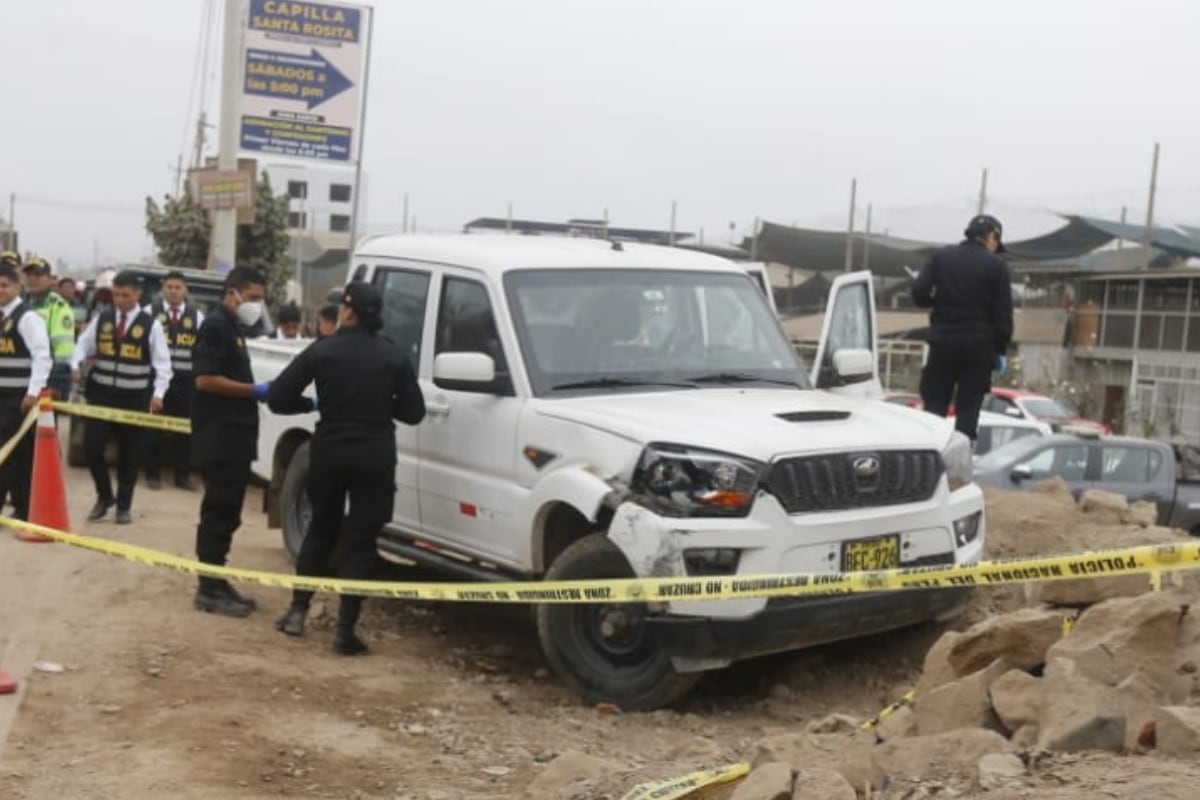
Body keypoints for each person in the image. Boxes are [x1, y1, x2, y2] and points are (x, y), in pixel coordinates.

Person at [269, 282, 425, 655]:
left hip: (330, 452)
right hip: (374, 455)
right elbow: (414, 413)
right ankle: (345, 632)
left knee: (321, 529)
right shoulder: (394, 356)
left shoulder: (324, 351)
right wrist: (382, 404)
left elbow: (278, 398)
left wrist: (312, 405)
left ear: (349, 311)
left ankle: (296, 612)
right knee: (361, 541)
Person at [190, 266, 270, 616]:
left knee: (229, 511)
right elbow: (205, 379)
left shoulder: (233, 327)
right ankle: (207, 587)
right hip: (220, 436)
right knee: (219, 511)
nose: (256, 305)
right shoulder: (216, 326)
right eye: (252, 298)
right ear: (232, 292)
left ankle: (217, 577)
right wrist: (252, 390)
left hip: (235, 436)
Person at [70, 270, 172, 524]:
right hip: (102, 396)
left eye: (125, 295)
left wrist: (158, 395)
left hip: (134, 399)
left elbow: (163, 365)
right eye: (116, 294)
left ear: (137, 295)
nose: (120, 300)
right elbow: (84, 343)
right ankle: (105, 496)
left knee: (130, 456)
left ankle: (123, 506)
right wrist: (75, 362)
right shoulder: (102, 318)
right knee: (92, 449)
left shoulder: (152, 325)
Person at [912, 214, 1014, 441]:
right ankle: (959, 469)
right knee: (968, 413)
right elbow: (1003, 315)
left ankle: (930, 460)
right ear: (991, 236)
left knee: (934, 409)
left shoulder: (941, 258)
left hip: (943, 342)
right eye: (996, 243)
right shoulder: (997, 266)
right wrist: (1000, 349)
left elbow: (919, 292)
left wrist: (937, 303)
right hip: (979, 349)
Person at [0, 262, 52, 524]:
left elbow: (42, 357)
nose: (0, 291)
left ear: (17, 287)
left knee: (10, 452)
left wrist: (33, 392)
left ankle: (20, 506)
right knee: (14, 454)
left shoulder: (27, 318)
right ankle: (21, 506)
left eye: (4, 285)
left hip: (17, 398)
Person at [143, 271, 203, 491]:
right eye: (170, 287)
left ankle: (182, 475)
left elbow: (202, 349)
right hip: (157, 382)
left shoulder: (197, 317)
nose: (174, 291)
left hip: (186, 383)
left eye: (178, 287)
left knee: (183, 431)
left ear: (185, 290)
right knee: (153, 429)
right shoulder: (149, 313)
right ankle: (152, 473)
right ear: (163, 289)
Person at [21, 257, 75, 401]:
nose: (33, 279)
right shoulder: (19, 303)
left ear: (49, 279)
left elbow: (63, 350)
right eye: (29, 275)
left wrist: (54, 382)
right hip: (20, 377)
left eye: (38, 275)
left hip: (48, 379)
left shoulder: (59, 307)